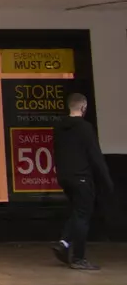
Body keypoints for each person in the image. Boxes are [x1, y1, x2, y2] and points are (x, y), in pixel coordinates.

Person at [53, 92, 115, 271]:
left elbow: (55, 152)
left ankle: (63, 245)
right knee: (83, 216)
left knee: (77, 212)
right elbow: (95, 156)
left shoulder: (58, 127)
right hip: (81, 177)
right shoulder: (85, 128)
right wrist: (107, 181)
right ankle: (79, 258)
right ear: (83, 107)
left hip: (65, 177)